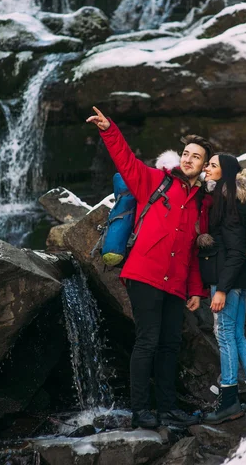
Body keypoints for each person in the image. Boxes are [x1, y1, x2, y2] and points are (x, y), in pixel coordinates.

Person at [87, 106, 213, 429]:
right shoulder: (154, 181)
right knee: (148, 341)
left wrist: (197, 291)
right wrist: (108, 129)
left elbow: (194, 249)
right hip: (144, 275)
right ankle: (141, 411)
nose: (187, 159)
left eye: (195, 157)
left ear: (202, 166)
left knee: (171, 344)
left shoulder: (199, 203)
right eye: (185, 154)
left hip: (175, 284)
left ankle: (168, 409)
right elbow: (126, 160)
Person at [197, 153, 246, 424]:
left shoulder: (227, 202)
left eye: (212, 165)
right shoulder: (232, 199)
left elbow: (235, 250)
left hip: (228, 280)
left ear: (226, 172)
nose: (207, 167)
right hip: (240, 281)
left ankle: (229, 399)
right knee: (237, 336)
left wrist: (221, 290)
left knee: (225, 335)